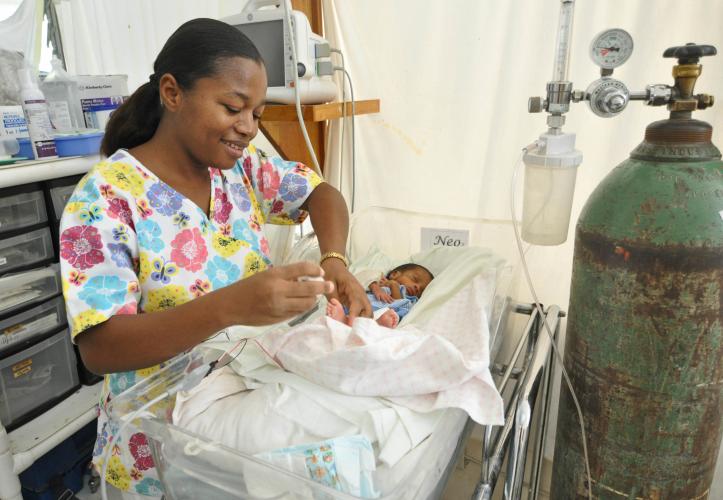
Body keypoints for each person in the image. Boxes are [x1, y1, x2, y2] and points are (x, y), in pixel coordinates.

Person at [59, 18, 371, 498]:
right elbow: (101, 348)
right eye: (232, 107)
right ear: (172, 92)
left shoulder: (241, 171)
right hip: (156, 444)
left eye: (258, 113)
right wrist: (231, 306)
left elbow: (321, 193)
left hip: (237, 425)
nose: (248, 128)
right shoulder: (105, 198)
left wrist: (334, 258)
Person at [326, 263, 434, 328]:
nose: (417, 287)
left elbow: (399, 304)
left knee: (391, 316)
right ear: (394, 274)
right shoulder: (377, 277)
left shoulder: (409, 299)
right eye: (415, 279)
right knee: (351, 302)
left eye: (421, 290)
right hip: (358, 305)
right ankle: (343, 319)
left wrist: (394, 286)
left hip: (379, 315)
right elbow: (357, 280)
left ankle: (375, 324)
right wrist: (375, 287)